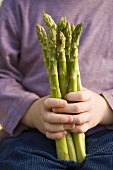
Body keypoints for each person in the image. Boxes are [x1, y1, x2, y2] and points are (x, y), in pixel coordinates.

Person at [0, 0, 113, 169]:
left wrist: (104, 109)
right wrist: (32, 112)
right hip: (30, 134)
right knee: (21, 163)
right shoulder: (18, 4)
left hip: (106, 132)